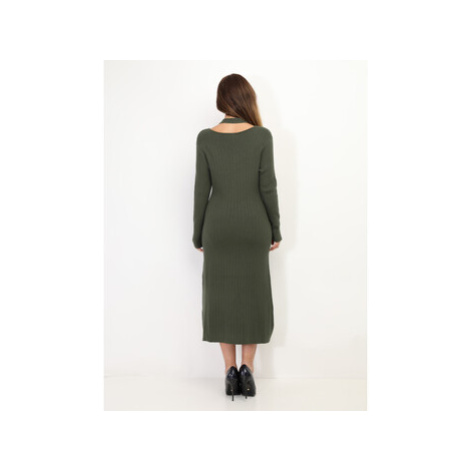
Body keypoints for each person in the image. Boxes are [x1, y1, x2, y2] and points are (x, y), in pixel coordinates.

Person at [192, 73, 282, 400]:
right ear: (247, 99)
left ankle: (229, 371)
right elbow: (268, 187)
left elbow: (201, 190)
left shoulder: (205, 138)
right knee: (253, 294)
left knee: (221, 296)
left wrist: (198, 233)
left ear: (221, 101)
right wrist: (275, 229)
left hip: (218, 227)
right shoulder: (261, 136)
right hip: (253, 226)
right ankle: (248, 368)